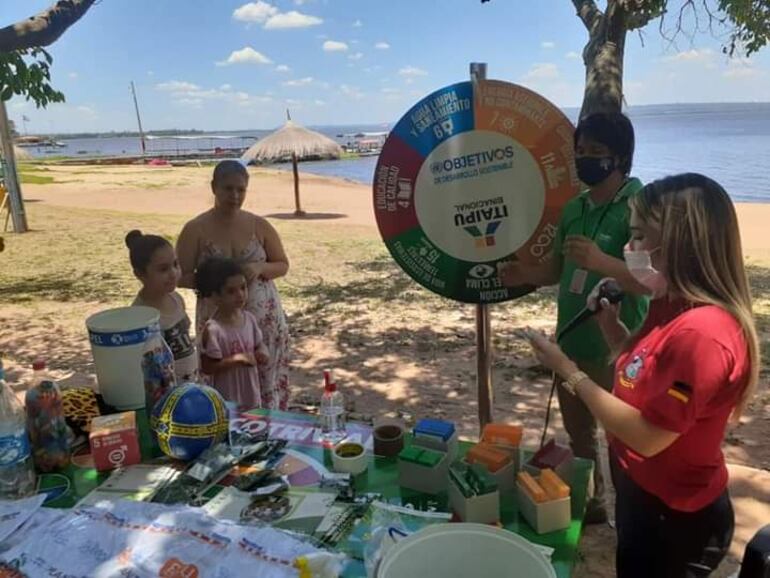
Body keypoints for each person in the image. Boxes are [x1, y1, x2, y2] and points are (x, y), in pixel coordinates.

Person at [526, 173, 759, 577]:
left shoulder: (703, 334)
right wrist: (609, 325)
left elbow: (649, 436)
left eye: (637, 237)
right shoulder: (669, 303)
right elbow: (641, 372)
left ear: (679, 245)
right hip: (639, 492)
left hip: (677, 518)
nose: (626, 248)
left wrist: (567, 371)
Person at [498, 111, 649, 522]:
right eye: (580, 151)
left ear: (619, 157)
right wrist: (523, 274)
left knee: (624, 441)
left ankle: (632, 520)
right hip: (571, 344)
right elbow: (556, 271)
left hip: (620, 349)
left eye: (595, 152)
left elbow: (653, 281)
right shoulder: (574, 208)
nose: (585, 159)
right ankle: (595, 505)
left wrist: (604, 261)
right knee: (580, 436)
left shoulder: (640, 206)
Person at [176, 160, 290, 410]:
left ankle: (270, 429)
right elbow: (180, 275)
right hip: (219, 323)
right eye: (228, 189)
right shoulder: (195, 229)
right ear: (214, 187)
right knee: (223, 377)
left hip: (262, 320)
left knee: (264, 375)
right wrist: (215, 280)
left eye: (241, 189)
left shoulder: (260, 225)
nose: (235, 196)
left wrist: (259, 268)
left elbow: (282, 265)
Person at [196, 257, 270, 409]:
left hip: (251, 395)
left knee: (252, 429)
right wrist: (236, 359)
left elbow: (258, 344)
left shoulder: (249, 319)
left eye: (243, 288)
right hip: (226, 400)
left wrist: (263, 351)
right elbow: (208, 367)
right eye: (231, 291)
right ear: (215, 296)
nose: (240, 295)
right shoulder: (213, 329)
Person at [126, 229, 198, 383]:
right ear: (140, 274)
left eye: (175, 264)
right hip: (165, 393)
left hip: (191, 384)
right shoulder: (140, 315)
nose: (173, 273)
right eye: (163, 269)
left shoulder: (177, 299)